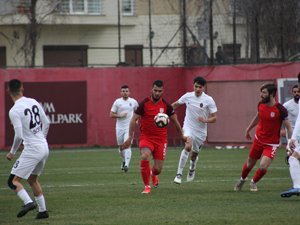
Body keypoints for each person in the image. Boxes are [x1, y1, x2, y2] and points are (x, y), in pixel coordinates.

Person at [122, 80, 186, 194]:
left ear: (163, 91)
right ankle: (147, 186)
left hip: (161, 140)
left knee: (158, 169)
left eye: (159, 91)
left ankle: (153, 175)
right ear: (151, 89)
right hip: (146, 137)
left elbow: (175, 122)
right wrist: (129, 138)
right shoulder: (144, 104)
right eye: (155, 90)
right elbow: (133, 119)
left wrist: (182, 136)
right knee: (145, 156)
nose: (157, 93)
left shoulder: (166, 105)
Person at [234, 83, 292, 192]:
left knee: (263, 166)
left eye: (264, 92)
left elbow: (289, 127)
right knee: (249, 164)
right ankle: (242, 180)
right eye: (261, 92)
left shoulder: (281, 109)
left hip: (271, 144)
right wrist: (248, 128)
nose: (261, 95)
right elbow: (258, 116)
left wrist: (289, 142)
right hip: (258, 139)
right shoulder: (261, 104)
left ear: (271, 94)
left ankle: (253, 182)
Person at [6, 79, 50, 219]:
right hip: (44, 147)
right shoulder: (33, 101)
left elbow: (18, 135)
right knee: (32, 180)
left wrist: (12, 152)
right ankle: (43, 211)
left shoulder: (14, 110)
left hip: (32, 149)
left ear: (8, 91)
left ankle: (28, 202)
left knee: (13, 181)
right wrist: (41, 138)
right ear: (22, 88)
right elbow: (47, 122)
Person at [173, 76, 217, 184]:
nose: (197, 89)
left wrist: (205, 120)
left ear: (203, 88)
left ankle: (192, 167)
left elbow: (215, 118)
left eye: (200, 87)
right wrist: (163, 112)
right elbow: (175, 104)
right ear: (193, 86)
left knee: (194, 155)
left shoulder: (208, 100)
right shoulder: (188, 96)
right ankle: (178, 174)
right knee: (188, 146)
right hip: (188, 127)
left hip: (201, 132)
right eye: (196, 86)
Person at [110, 85, 138, 172]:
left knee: (127, 145)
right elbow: (111, 114)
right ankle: (123, 161)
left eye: (126, 91)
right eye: (123, 91)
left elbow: (138, 112)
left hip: (129, 127)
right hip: (119, 128)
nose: (125, 92)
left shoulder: (133, 102)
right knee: (121, 148)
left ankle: (126, 165)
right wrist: (119, 115)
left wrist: (136, 120)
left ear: (129, 92)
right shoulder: (117, 102)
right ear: (121, 92)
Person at [281, 74, 300, 197]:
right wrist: (292, 137)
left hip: (296, 136)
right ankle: (297, 187)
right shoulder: (287, 105)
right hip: (296, 136)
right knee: (293, 158)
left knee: (293, 158)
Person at [281, 84, 300, 163]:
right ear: (292, 93)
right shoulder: (286, 105)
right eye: (294, 92)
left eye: (298, 92)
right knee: (291, 153)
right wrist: (282, 129)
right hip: (291, 132)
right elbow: (282, 118)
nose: (296, 93)